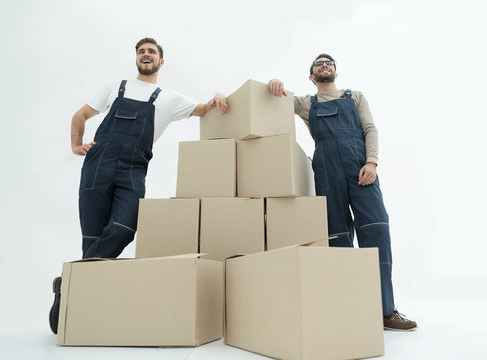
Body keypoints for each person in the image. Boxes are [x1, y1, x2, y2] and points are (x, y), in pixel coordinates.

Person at [49, 37, 229, 334]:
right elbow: (80, 115)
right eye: (141, 52)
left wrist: (219, 94)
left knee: (124, 228)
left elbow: (206, 108)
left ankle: (69, 282)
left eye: (152, 52)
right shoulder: (115, 87)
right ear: (136, 60)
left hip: (133, 168)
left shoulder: (169, 98)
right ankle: (80, 315)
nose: (146, 55)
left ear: (161, 62)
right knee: (92, 236)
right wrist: (75, 145)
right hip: (98, 163)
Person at [268, 54, 417, 331]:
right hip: (327, 172)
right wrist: (274, 83)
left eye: (329, 63)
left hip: (361, 169)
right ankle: (350, 308)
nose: (325, 65)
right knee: (337, 236)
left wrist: (371, 162)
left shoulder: (355, 97)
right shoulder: (304, 103)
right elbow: (274, 99)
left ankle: (385, 312)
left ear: (335, 72)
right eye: (319, 63)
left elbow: (370, 129)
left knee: (376, 230)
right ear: (312, 76)